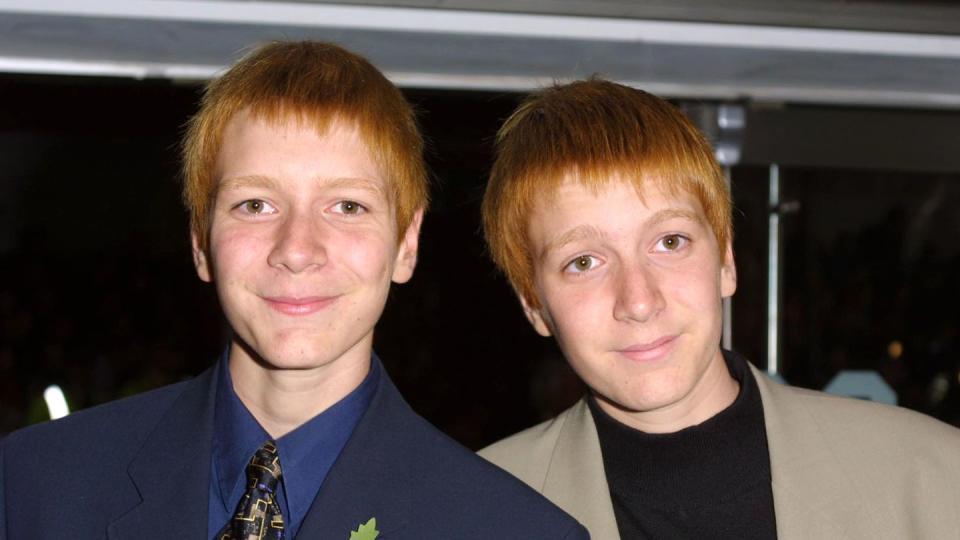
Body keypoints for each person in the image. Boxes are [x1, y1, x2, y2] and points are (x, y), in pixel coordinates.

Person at [0, 41, 587, 540]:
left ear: (406, 244)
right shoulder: (34, 485)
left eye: (346, 206)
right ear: (201, 243)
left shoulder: (512, 529)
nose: (298, 249)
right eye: (255, 205)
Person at [478, 78, 960, 539]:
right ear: (534, 303)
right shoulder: (472, 512)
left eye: (670, 241)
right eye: (583, 262)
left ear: (726, 260)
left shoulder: (933, 477)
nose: (640, 301)